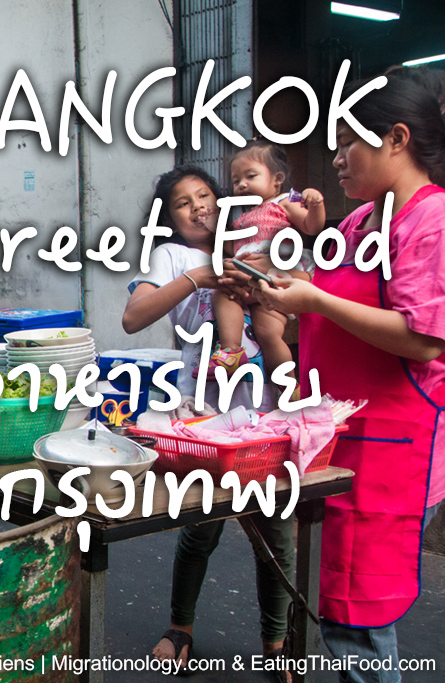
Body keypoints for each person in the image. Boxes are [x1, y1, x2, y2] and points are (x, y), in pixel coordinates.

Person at [252, 66, 445, 683]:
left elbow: (425, 337)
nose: (338, 160)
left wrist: (314, 300)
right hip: (349, 438)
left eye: (347, 143)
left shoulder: (439, 223)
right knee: (342, 613)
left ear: (396, 139)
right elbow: (343, 292)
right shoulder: (359, 222)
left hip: (401, 450)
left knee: (360, 623)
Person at [123, 166, 292, 681]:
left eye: (204, 195)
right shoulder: (172, 257)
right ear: (168, 218)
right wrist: (200, 277)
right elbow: (133, 317)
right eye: (182, 203)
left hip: (266, 410)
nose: (198, 206)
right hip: (205, 415)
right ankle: (181, 629)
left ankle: (276, 644)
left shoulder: (253, 241)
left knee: (276, 538)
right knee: (199, 531)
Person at [203, 141, 324, 394]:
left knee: (267, 333)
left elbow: (312, 227)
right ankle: (232, 351)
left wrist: (315, 204)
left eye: (250, 176)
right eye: (236, 181)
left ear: (277, 179)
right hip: (249, 280)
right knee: (227, 297)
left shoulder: (285, 201)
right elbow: (235, 249)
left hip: (276, 275)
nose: (242, 184)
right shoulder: (241, 218)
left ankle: (291, 391)